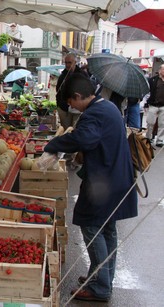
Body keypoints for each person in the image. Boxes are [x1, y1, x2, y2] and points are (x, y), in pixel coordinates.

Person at [44, 74, 138, 302]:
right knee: (107, 230)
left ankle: (101, 287)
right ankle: (102, 277)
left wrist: (53, 145)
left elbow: (84, 139)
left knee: (91, 226)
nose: (71, 107)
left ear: (78, 96)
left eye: (71, 103)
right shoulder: (109, 107)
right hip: (117, 177)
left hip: (104, 182)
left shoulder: (94, 114)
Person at [56, 53, 88, 129]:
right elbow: (58, 90)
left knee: (75, 130)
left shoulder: (82, 74)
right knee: (65, 131)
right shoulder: (63, 75)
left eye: (69, 62)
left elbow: (87, 91)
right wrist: (59, 105)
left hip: (78, 109)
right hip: (64, 108)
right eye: (66, 63)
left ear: (75, 62)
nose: (67, 65)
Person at [145, 64, 164, 147]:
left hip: (163, 106)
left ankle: (159, 140)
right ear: (160, 70)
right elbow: (148, 92)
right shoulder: (152, 80)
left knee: (162, 124)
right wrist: (146, 103)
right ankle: (148, 138)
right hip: (153, 105)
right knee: (150, 122)